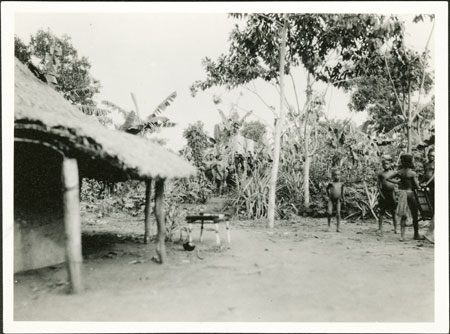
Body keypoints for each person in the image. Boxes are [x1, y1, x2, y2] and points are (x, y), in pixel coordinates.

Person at [386, 154, 424, 241]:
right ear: (410, 162)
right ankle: (416, 234)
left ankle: (402, 236)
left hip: (403, 194)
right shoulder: (412, 173)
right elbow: (417, 186)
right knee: (414, 214)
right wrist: (420, 186)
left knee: (403, 215)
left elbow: (388, 178)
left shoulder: (400, 172)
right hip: (410, 194)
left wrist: (397, 182)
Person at [377, 156, 398, 234]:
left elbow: (398, 181)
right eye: (384, 164)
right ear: (382, 165)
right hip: (383, 193)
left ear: (390, 164)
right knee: (381, 211)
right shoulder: (380, 173)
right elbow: (378, 185)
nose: (386, 165)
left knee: (393, 211)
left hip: (391, 193)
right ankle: (380, 228)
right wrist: (381, 194)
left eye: (387, 164)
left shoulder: (393, 173)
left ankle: (396, 228)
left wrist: (396, 192)